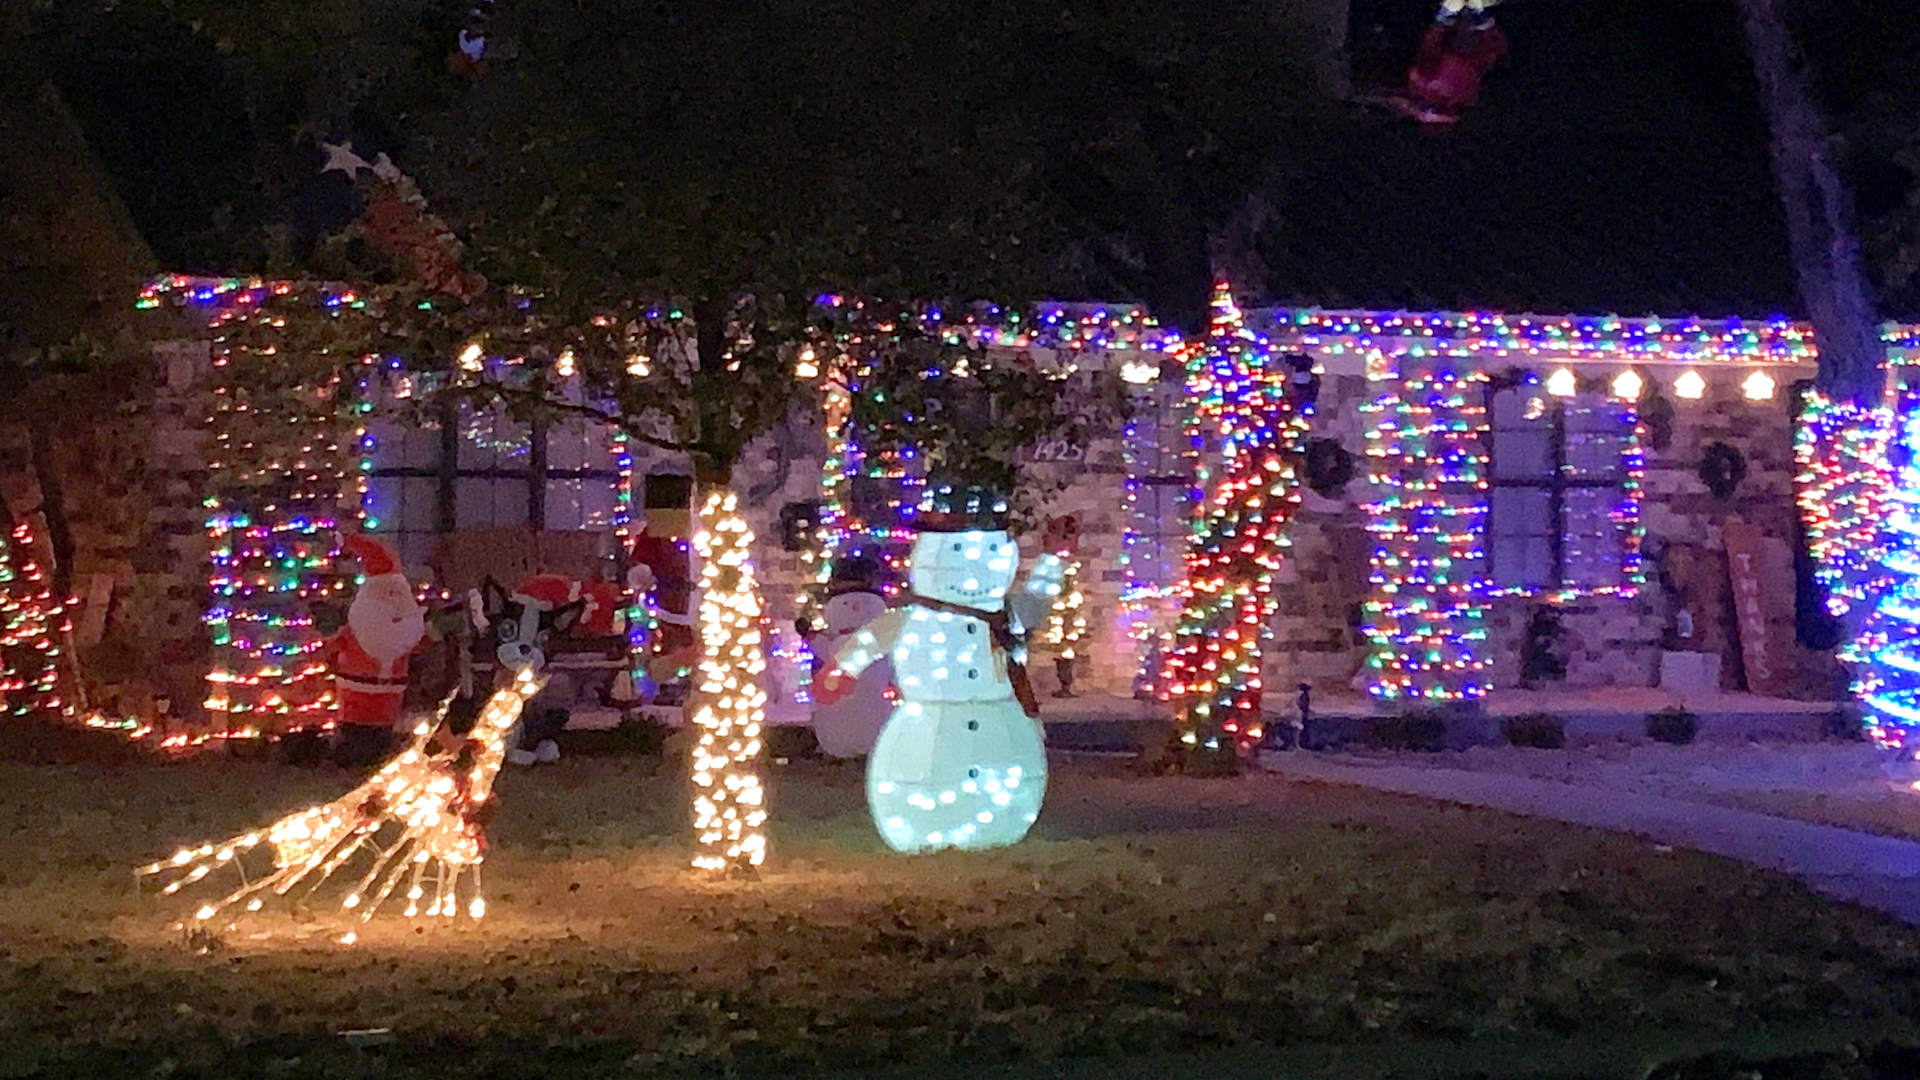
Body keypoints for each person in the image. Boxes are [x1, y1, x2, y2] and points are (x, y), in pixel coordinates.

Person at [1398, 0, 1508, 125]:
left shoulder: (1422, 82)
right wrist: (1483, 21)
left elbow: (1429, 46)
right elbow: (1491, 50)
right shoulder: (1468, 84)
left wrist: (1445, 19)